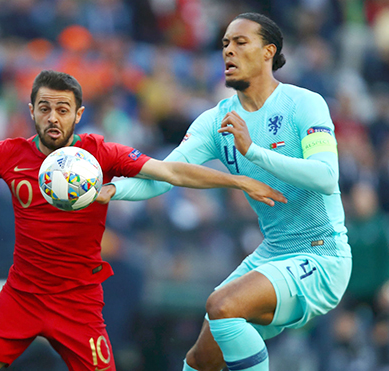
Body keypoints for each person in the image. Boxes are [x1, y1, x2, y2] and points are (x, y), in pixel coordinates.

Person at [0, 69, 285, 371]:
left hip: (78, 302)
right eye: (44, 108)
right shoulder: (7, 154)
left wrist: (239, 182)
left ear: (78, 113)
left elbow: (169, 170)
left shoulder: (100, 153)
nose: (53, 118)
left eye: (62, 109)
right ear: (31, 110)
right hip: (21, 295)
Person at [98, 12, 352, 371]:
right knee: (202, 357)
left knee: (222, 305)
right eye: (224, 44)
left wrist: (253, 152)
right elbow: (166, 173)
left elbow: (327, 176)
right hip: (274, 253)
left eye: (240, 42)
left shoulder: (304, 104)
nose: (228, 51)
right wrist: (109, 189)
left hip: (323, 256)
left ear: (268, 52)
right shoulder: (215, 121)